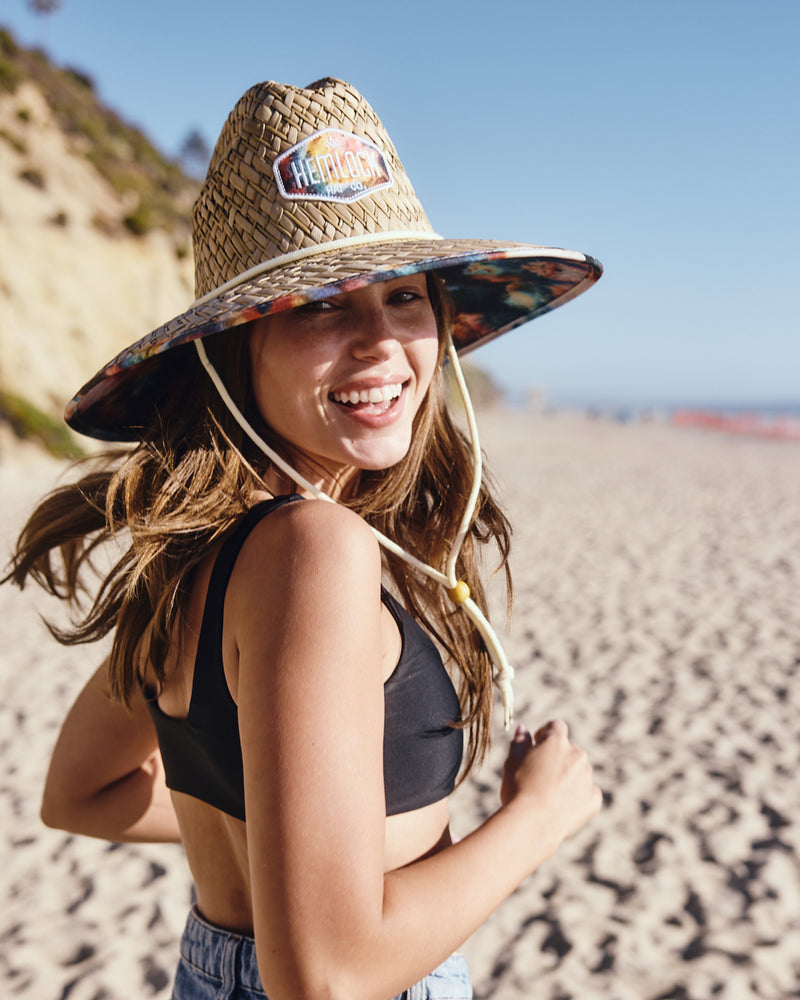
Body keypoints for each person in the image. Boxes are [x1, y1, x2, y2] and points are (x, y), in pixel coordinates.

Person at [5, 77, 604, 1000]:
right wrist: (536, 818)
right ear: (234, 348)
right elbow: (323, 975)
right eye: (323, 305)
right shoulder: (313, 551)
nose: (379, 342)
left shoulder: (197, 556)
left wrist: (291, 848)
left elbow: (80, 793)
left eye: (405, 296)